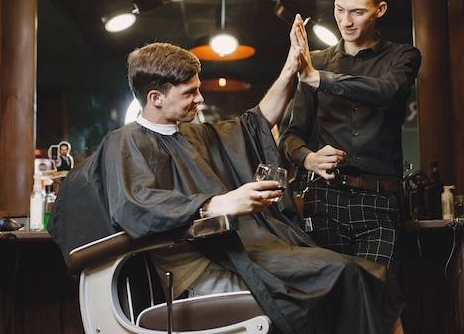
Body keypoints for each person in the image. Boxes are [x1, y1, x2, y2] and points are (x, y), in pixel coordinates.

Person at [48, 38, 399, 334]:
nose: (200, 100)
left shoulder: (195, 134)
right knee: (344, 277)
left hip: (240, 251)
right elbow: (135, 206)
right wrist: (221, 203)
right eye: (190, 92)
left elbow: (256, 122)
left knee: (369, 275)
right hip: (204, 266)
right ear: (156, 97)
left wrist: (291, 68)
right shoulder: (124, 143)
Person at [279, 0, 422, 333]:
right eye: (339, 9)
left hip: (379, 205)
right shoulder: (317, 64)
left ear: (380, 9)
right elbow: (290, 137)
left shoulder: (402, 57)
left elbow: (388, 92)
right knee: (329, 312)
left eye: (357, 11)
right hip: (325, 201)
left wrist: (316, 78)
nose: (346, 21)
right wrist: (308, 158)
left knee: (379, 305)